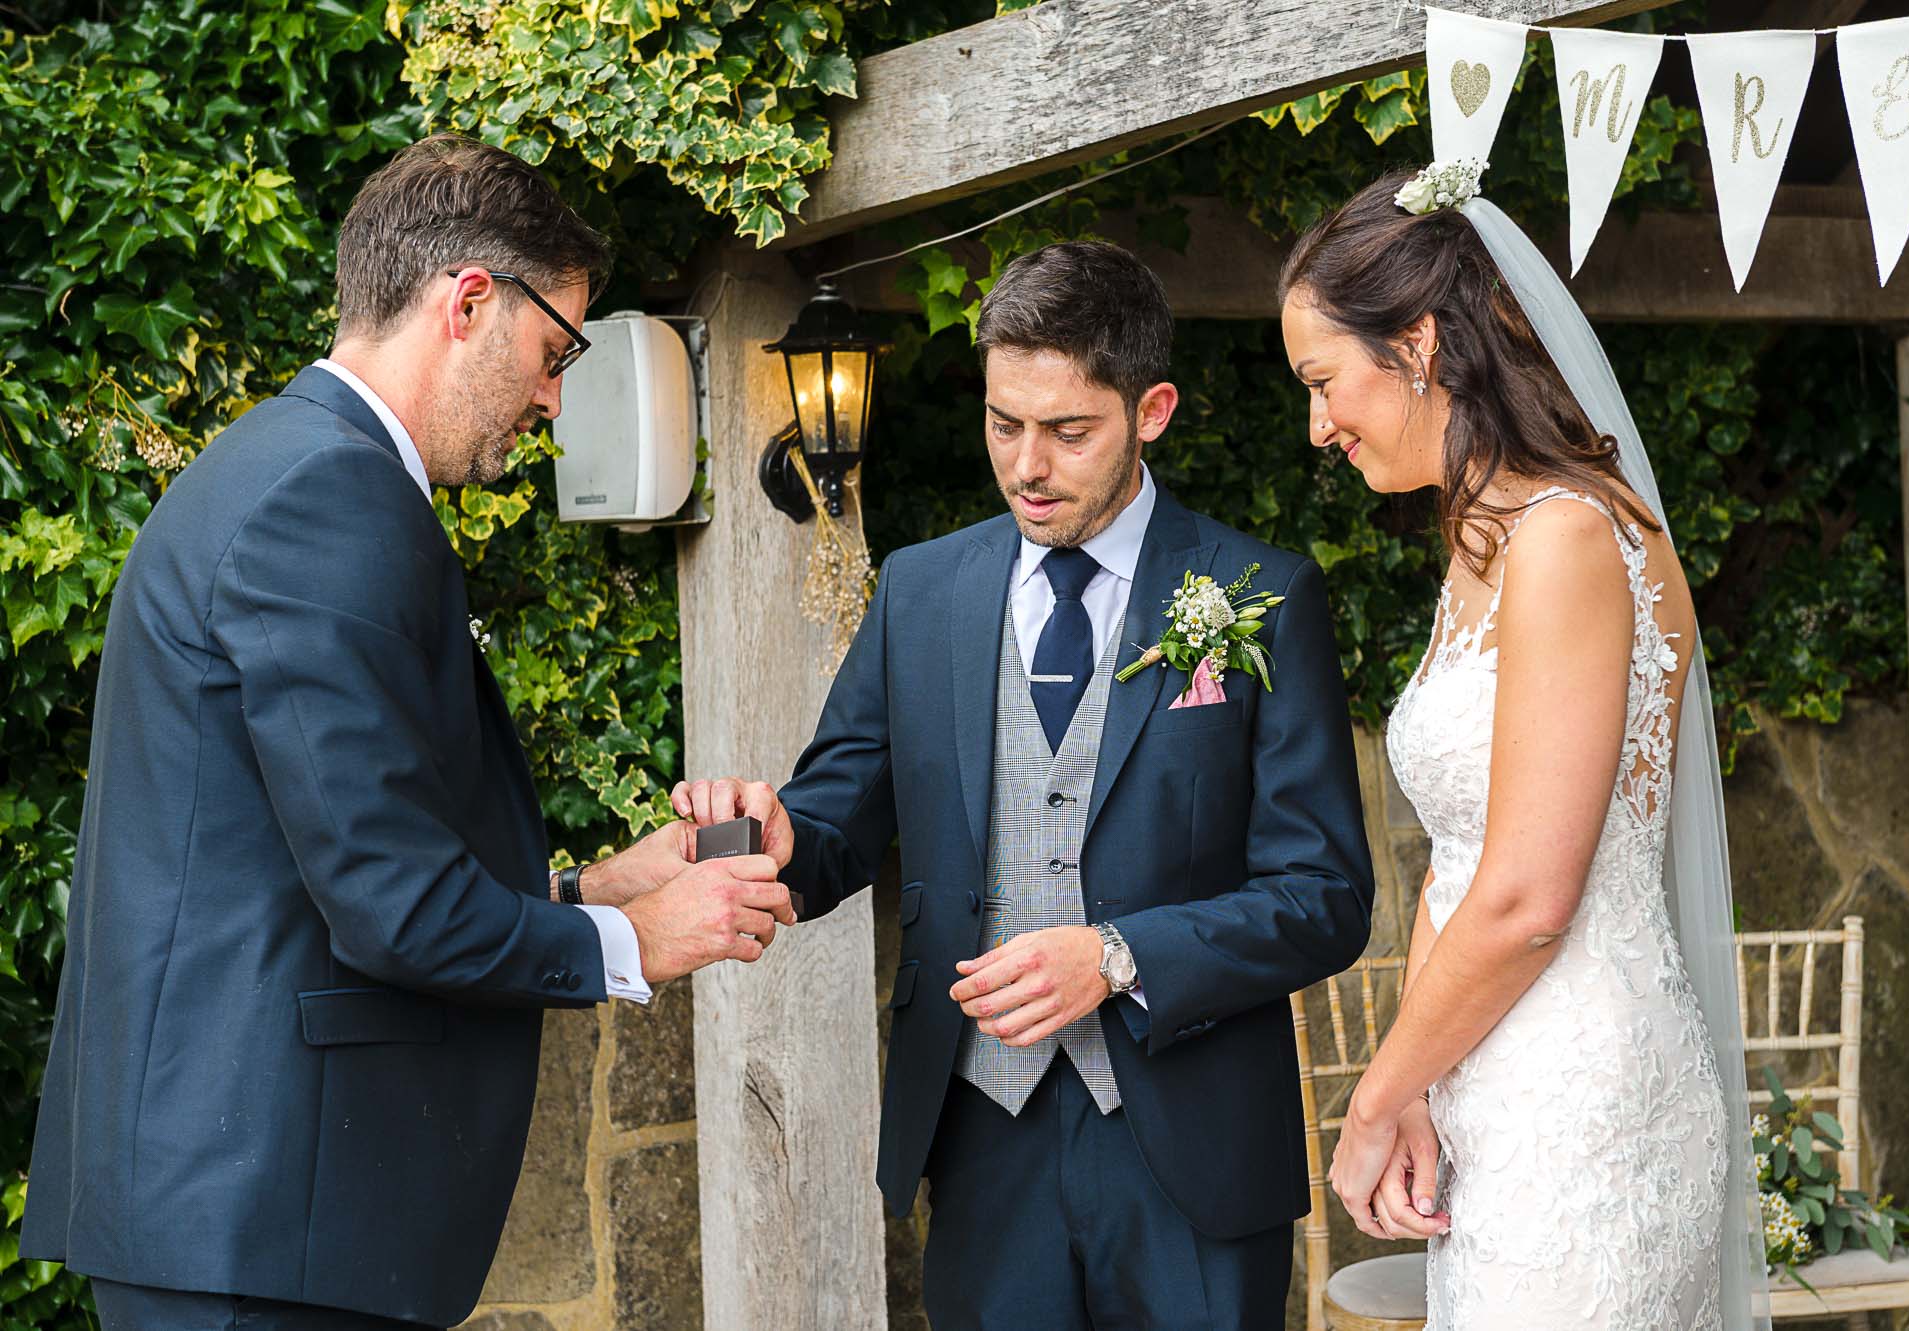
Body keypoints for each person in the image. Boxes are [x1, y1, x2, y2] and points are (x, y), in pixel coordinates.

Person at [23, 132, 794, 1331]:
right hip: (270, 1224)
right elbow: (389, 901)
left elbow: (314, 858)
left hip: (255, 1218)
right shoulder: (324, 496)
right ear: (467, 299)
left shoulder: (284, 471)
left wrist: (585, 881)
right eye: (553, 353)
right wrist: (631, 936)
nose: (552, 396)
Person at [675, 240, 1374, 1330]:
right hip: (979, 1133)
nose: (1027, 465)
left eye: (1067, 430)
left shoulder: (1257, 597)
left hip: (1188, 1146)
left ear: (1152, 410)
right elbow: (834, 824)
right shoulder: (919, 590)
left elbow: (1323, 893)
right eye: (1004, 424)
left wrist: (1115, 955)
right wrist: (774, 834)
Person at [1279, 165, 1764, 1328]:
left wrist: (1372, 1095)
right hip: (1493, 1095)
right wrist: (1420, 1087)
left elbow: (1529, 894)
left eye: (1322, 381)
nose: (1317, 425)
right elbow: (1460, 859)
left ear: (1420, 343)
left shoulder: (1566, 537)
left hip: (1579, 1114)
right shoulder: (1483, 545)